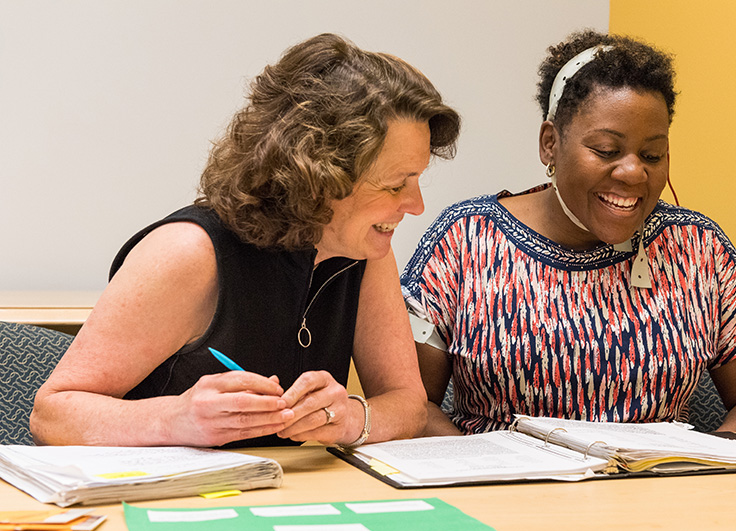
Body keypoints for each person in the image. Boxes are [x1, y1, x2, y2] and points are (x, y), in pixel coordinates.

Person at [31, 33, 461, 448]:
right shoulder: (189, 253)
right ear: (319, 174)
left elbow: (409, 405)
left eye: (416, 179)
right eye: (394, 185)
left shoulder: (364, 252)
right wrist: (176, 418)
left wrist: (351, 417)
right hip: (166, 490)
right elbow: (52, 414)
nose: (416, 205)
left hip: (285, 489)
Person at [401, 30, 736, 436]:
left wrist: (703, 465)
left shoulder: (697, 248)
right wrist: (484, 469)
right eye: (607, 150)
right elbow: (411, 402)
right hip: (500, 473)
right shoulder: (465, 240)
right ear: (550, 144)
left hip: (656, 475)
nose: (633, 172)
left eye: (652, 154)